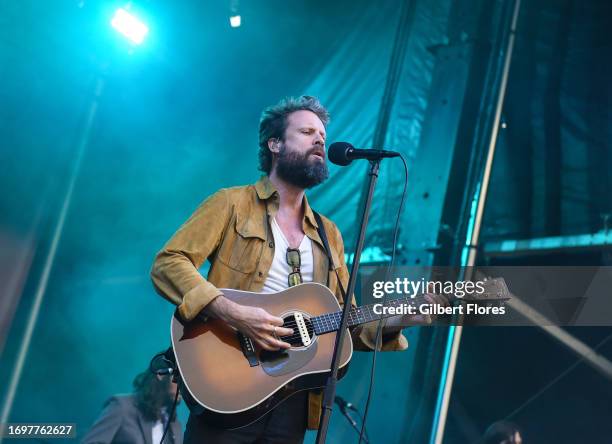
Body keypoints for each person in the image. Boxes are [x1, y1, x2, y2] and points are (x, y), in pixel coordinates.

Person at [150, 95, 445, 443]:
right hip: (228, 385)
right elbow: (168, 264)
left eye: (322, 133)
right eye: (307, 131)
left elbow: (344, 321)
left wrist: (401, 318)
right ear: (275, 144)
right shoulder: (231, 203)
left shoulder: (328, 232)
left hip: (294, 401)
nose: (320, 139)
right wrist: (232, 312)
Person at [81, 368, 182, 444]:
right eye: (179, 376)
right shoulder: (122, 407)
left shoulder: (175, 425)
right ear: (161, 374)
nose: (184, 385)